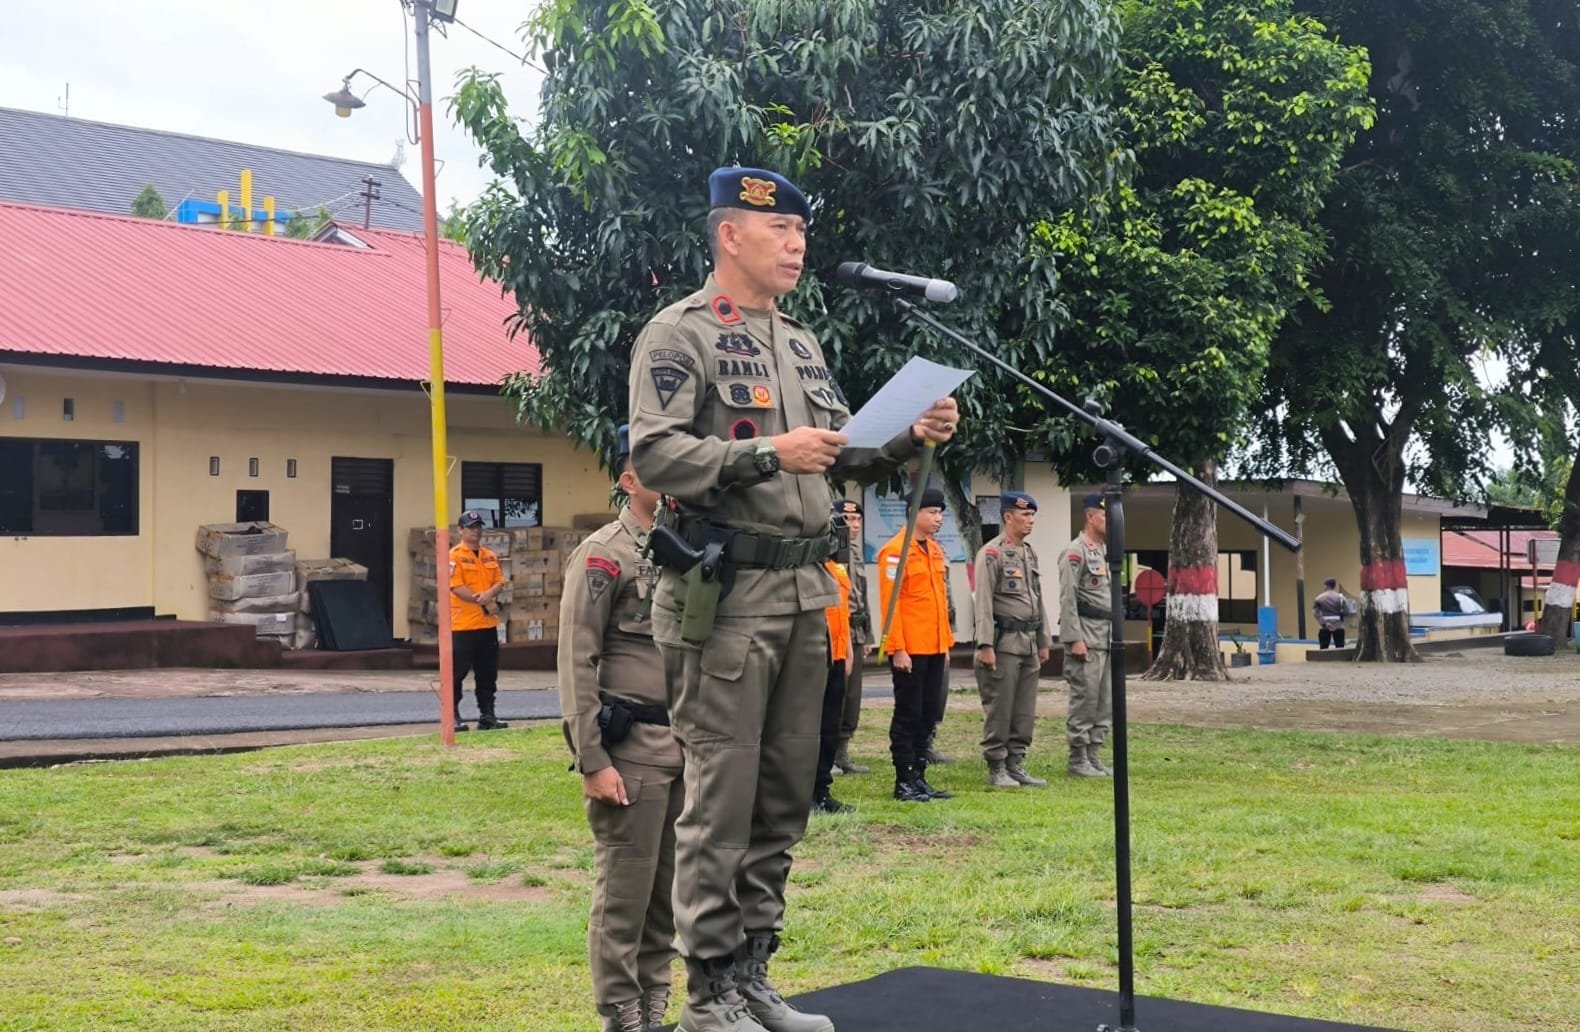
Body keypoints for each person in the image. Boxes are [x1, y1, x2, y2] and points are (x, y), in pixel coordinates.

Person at [627, 166, 959, 1032]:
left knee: (783, 798)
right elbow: (657, 454)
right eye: (780, 232)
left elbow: (843, 449)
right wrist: (767, 454)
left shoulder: (802, 342)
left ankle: (751, 975)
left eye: (803, 234)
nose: (798, 245)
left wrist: (906, 434)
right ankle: (706, 997)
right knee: (723, 799)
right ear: (728, 235)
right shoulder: (680, 334)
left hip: (810, 592)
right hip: (728, 598)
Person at [557, 426, 682, 1032]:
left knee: (669, 893)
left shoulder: (686, 547)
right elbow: (575, 660)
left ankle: (655, 1003)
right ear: (629, 479)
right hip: (630, 749)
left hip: (684, 745)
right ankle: (622, 1013)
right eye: (657, 465)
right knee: (626, 891)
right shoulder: (605, 554)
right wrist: (592, 759)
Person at [875, 486, 956, 804]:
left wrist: (946, 645)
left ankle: (920, 777)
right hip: (911, 648)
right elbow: (890, 604)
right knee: (908, 714)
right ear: (914, 513)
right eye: (933, 513)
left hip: (935, 646)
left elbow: (939, 602)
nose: (938, 519)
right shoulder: (895, 552)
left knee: (927, 714)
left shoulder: (933, 550)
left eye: (940, 513)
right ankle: (904, 779)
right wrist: (897, 648)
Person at [973, 491, 1052, 788]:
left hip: (1029, 642)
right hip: (1003, 642)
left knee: (1023, 710)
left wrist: (1044, 640)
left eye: (1032, 515)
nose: (1030, 521)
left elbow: (1037, 598)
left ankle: (1015, 762)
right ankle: (996, 766)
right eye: (1024, 515)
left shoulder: (1028, 552)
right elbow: (982, 602)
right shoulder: (992, 554)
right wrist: (985, 644)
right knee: (1001, 708)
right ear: (1008, 517)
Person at [1059, 493, 1112, 778]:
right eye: (1104, 515)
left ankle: (1094, 754)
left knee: (1104, 701)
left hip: (1104, 636)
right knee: (1085, 698)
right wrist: (1073, 637)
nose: (1109, 521)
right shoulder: (1075, 552)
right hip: (1085, 636)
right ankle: (1078, 758)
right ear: (1091, 516)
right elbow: (1068, 599)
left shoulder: (1103, 551)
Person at [448, 509, 508, 732]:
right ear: (460, 530)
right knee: (456, 674)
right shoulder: (454, 556)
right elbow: (455, 587)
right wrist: (483, 601)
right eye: (471, 528)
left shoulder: (489, 555)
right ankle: (452, 716)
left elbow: (499, 581)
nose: (476, 532)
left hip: (486, 625)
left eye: (478, 527)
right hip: (462, 625)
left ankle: (488, 715)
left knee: (487, 674)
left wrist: (489, 595)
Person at [811, 531, 855, 815]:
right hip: (813, 659)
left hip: (837, 656)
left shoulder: (837, 571)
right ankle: (803, 793)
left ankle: (822, 790)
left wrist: (848, 649)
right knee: (808, 731)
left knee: (829, 728)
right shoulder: (807, 572)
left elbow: (843, 615)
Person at [831, 499, 871, 775]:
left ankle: (843, 752)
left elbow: (864, 598)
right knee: (835, 694)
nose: (853, 526)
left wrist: (868, 636)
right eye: (847, 520)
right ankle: (829, 754)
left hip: (857, 631)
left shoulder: (855, 553)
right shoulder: (832, 552)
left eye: (857, 520)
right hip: (837, 632)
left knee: (853, 696)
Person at [1313, 577, 1348, 650]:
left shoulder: (1319, 598)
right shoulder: (1341, 598)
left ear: (1327, 586)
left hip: (1324, 627)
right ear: (1334, 586)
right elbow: (1346, 611)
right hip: (1339, 626)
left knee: (1323, 649)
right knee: (1340, 648)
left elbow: (1316, 613)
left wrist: (1325, 623)